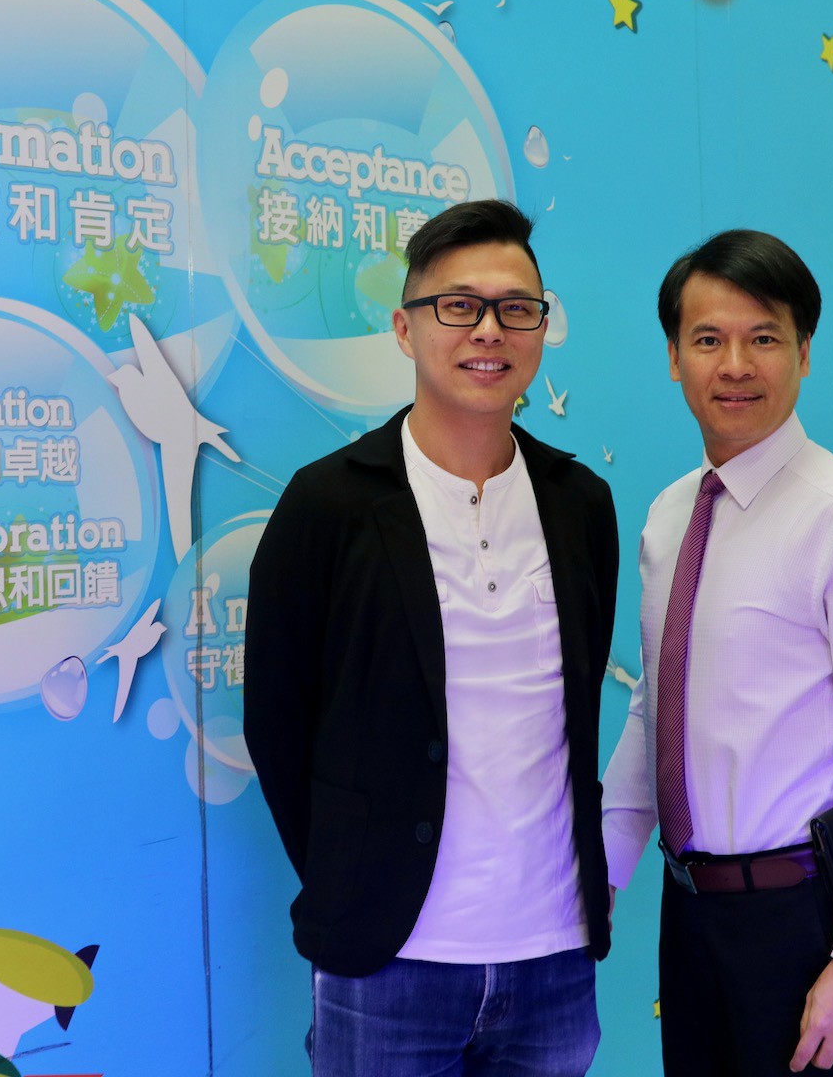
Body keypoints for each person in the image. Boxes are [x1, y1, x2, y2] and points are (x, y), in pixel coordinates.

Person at [245, 199, 620, 1076]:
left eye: (515, 308)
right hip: (391, 961)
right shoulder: (330, 504)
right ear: (405, 328)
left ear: (540, 329)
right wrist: (354, 877)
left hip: (555, 956)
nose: (489, 330)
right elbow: (277, 721)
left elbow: (580, 704)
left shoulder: (579, 504)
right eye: (459, 306)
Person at [601, 230, 833, 1075]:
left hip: (803, 920)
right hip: (689, 913)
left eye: (764, 338)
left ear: (805, 353)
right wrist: (599, 875)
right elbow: (655, 708)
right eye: (708, 340)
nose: (735, 366)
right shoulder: (669, 516)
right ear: (673, 358)